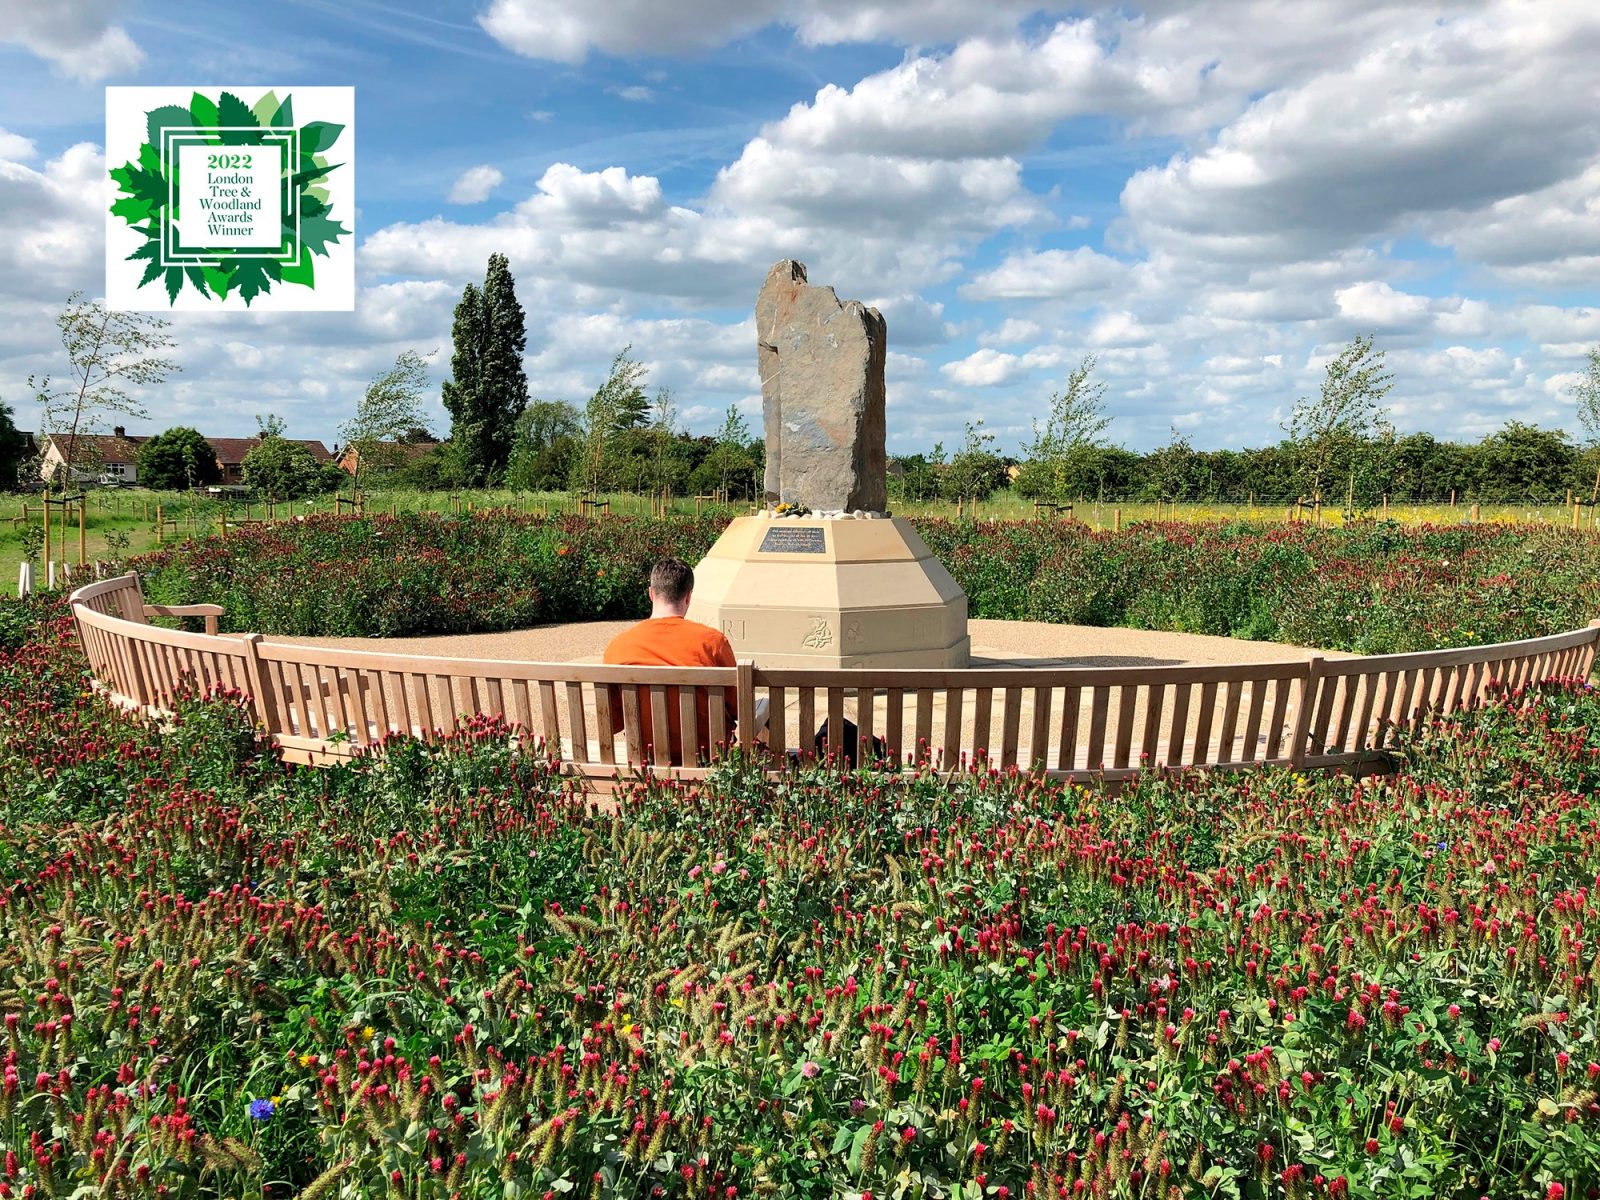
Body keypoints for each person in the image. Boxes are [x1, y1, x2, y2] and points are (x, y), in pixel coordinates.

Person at [602, 557, 741, 763]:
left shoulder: (619, 647)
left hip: (646, 758)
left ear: (651, 593)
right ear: (688, 596)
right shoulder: (712, 642)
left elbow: (613, 722)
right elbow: (737, 708)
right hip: (708, 758)